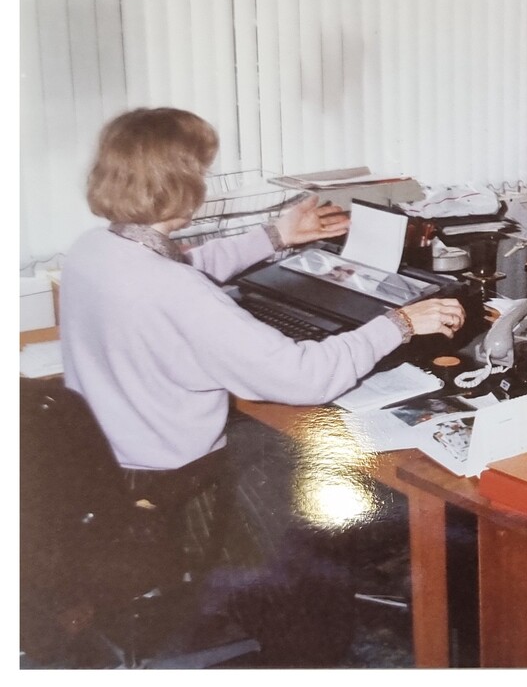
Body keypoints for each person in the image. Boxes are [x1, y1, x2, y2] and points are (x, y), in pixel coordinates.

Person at [59, 108, 466, 663]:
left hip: (113, 467)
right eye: (200, 170)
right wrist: (398, 323)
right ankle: (313, 653)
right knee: (328, 483)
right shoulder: (177, 293)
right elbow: (305, 377)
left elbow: (183, 265)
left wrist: (274, 236)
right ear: (180, 181)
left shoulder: (92, 251)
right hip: (182, 485)